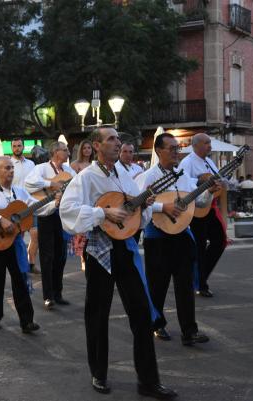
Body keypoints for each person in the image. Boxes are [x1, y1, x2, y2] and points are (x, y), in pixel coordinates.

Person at [60, 127, 177, 399]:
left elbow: (134, 213)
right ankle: (98, 372)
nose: (117, 143)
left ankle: (148, 381)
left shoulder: (124, 174)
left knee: (141, 315)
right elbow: (67, 211)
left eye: (118, 139)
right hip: (100, 251)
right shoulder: (86, 177)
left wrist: (145, 204)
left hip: (124, 248)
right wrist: (102, 212)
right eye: (111, 139)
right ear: (97, 146)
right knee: (97, 316)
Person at [135, 133, 210, 346]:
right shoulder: (148, 176)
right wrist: (163, 207)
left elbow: (198, 203)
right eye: (172, 148)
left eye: (177, 148)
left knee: (185, 284)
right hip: (157, 236)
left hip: (182, 235)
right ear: (159, 151)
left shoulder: (184, 175)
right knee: (158, 284)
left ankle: (189, 331)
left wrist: (210, 192)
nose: (176, 152)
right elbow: (138, 203)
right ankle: (157, 324)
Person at [0, 156, 40, 334]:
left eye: (12, 168)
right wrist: (0, 219)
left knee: (20, 280)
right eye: (7, 168)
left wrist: (52, 201)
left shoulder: (20, 192)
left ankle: (27, 321)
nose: (11, 171)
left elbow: (35, 206)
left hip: (16, 243)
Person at [25, 141, 76, 310]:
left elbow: (78, 186)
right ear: (55, 152)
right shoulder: (41, 169)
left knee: (61, 256)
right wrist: (51, 184)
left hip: (63, 216)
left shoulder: (69, 171)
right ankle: (48, 296)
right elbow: (29, 183)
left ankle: (58, 292)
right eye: (65, 150)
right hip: (47, 214)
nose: (68, 152)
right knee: (47, 256)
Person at [178, 133, 227, 297]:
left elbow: (218, 179)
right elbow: (184, 185)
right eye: (206, 143)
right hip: (196, 210)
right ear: (196, 145)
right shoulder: (187, 162)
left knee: (220, 241)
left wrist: (220, 181)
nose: (210, 146)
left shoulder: (209, 162)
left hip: (209, 207)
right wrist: (201, 182)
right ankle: (200, 282)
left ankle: (200, 274)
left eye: (210, 143)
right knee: (198, 246)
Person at [10, 137, 40, 274]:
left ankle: (31, 263)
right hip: (15, 205)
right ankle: (19, 264)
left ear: (23, 147)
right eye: (14, 146)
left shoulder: (31, 164)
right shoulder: (8, 164)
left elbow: (36, 183)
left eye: (19, 145)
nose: (17, 148)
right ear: (11, 148)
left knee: (35, 234)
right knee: (19, 236)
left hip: (30, 204)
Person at [70, 139, 94, 271]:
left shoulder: (94, 165)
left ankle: (87, 254)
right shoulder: (75, 165)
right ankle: (82, 257)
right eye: (84, 148)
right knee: (81, 229)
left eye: (89, 148)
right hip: (79, 198)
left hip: (91, 198)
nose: (87, 150)